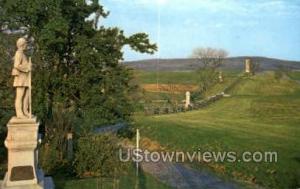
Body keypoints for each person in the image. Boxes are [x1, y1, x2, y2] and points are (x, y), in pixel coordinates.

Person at [12, 38, 31, 118]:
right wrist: (27, 68)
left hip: (25, 77)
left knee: (27, 94)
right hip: (20, 78)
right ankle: (19, 113)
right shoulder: (18, 53)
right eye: (25, 44)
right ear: (22, 45)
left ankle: (25, 111)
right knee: (20, 96)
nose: (26, 45)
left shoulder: (23, 54)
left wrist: (29, 65)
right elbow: (16, 65)